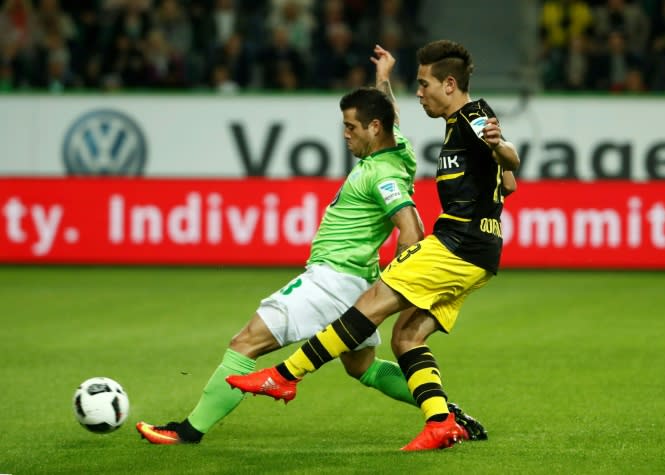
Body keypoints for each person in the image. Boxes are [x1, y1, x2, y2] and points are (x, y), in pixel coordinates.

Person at [135, 44, 488, 445]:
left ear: (373, 129)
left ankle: (188, 431)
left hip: (331, 281)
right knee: (362, 367)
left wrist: (399, 281)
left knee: (245, 342)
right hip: (355, 283)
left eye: (351, 127)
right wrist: (382, 80)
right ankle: (440, 409)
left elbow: (410, 227)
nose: (345, 135)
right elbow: (389, 116)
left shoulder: (382, 176)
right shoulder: (400, 152)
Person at [227, 40, 519, 451]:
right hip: (480, 252)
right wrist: (383, 78)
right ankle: (441, 422)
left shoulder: (473, 116)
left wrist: (502, 150)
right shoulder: (454, 127)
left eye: (423, 84)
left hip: (458, 243)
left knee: (370, 303)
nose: (419, 93)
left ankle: (285, 376)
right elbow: (507, 181)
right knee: (406, 338)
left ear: (449, 84)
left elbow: (507, 156)